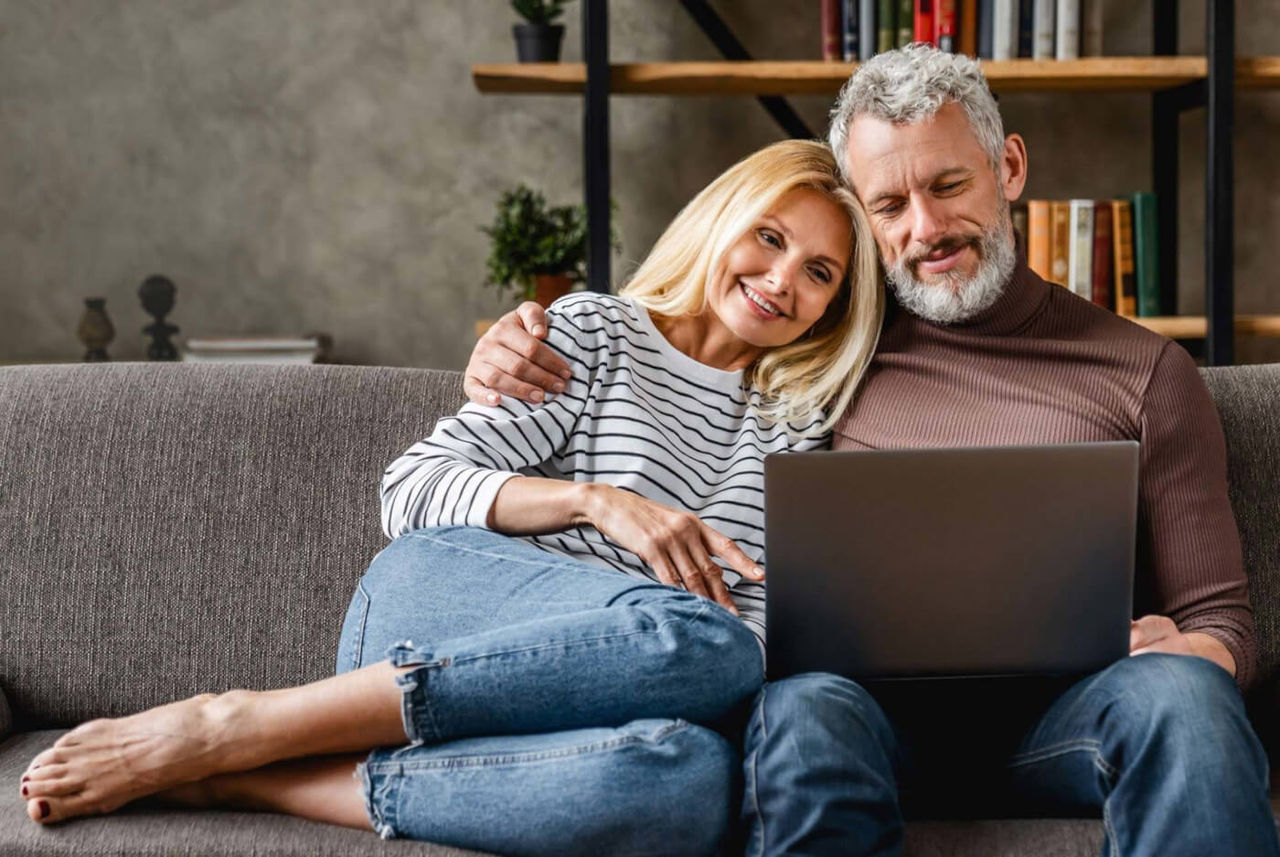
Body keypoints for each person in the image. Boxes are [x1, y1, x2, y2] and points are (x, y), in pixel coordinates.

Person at [462, 45, 1279, 857]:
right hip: (860, 719)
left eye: (950, 185)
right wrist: (517, 343)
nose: (926, 229)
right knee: (805, 709)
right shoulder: (818, 347)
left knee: (1186, 695)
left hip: (1068, 721)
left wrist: (1190, 652)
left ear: (1011, 166)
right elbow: (678, 340)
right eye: (888, 206)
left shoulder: (1146, 372)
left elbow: (1222, 619)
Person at [18, 140, 884, 857]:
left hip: (610, 695)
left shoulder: (795, 425)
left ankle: (245, 775)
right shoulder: (587, 333)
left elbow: (763, 623)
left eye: (818, 273)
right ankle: (243, 720)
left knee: (686, 782)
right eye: (768, 237)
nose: (781, 280)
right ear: (719, 221)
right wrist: (595, 502)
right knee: (703, 639)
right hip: (444, 610)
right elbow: (413, 490)